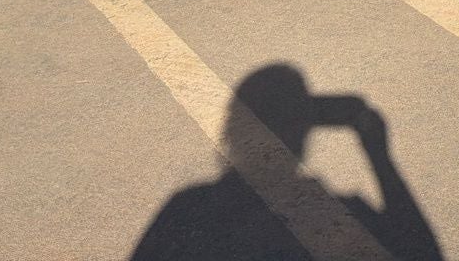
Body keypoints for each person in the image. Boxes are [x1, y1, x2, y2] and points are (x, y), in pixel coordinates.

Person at [131, 65, 441, 261]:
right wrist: (379, 156)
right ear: (303, 132)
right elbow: (422, 253)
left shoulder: (187, 209)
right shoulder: (332, 217)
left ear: (232, 130)